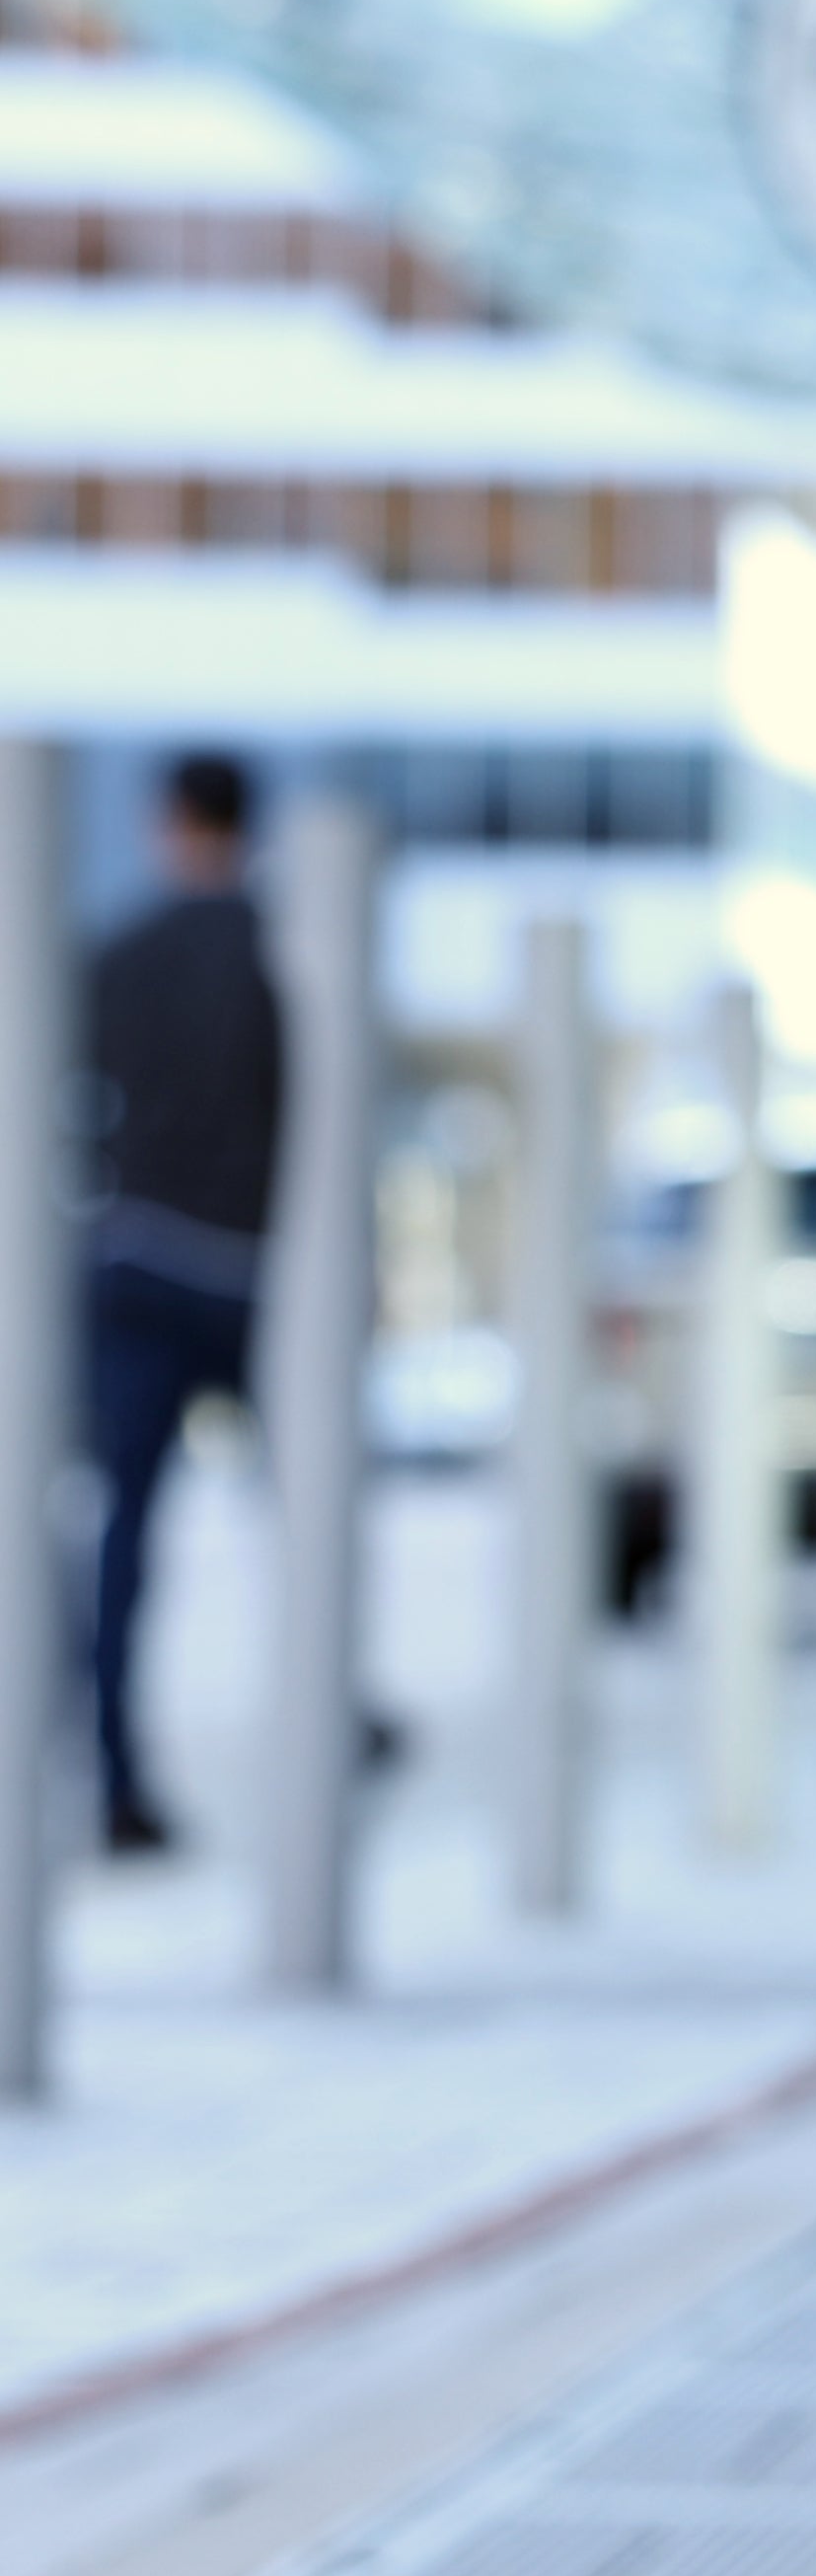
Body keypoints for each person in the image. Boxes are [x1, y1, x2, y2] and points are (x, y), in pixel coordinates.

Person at [80, 752, 285, 1856]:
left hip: (142, 1258)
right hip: (251, 1275)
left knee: (124, 1533)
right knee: (305, 1513)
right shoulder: (280, 954)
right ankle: (329, 1712)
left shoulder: (123, 954)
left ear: (169, 824)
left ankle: (114, 1768)